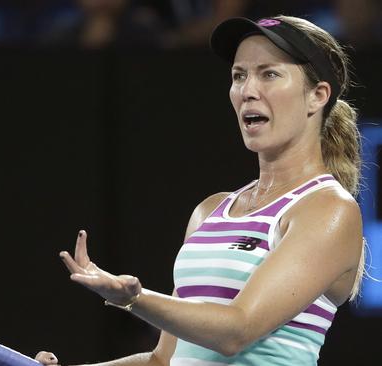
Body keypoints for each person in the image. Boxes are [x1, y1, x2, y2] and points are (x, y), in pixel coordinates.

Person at [36, 14, 364, 366]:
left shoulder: (329, 210)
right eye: (239, 75)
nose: (248, 90)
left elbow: (236, 331)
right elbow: (163, 360)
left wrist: (134, 299)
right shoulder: (210, 211)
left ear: (317, 96)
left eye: (269, 74)